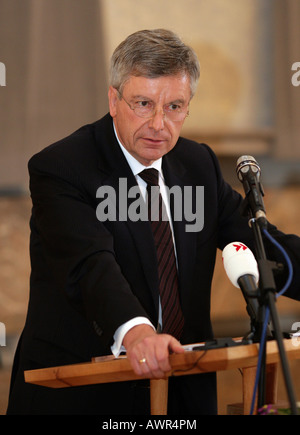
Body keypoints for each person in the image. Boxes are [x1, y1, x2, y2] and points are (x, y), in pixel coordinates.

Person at [7, 29, 300, 415]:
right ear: (114, 100)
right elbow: (90, 264)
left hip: (183, 387)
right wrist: (139, 332)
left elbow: (264, 246)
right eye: (143, 104)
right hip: (81, 390)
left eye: (175, 106)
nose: (159, 124)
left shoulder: (198, 165)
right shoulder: (63, 167)